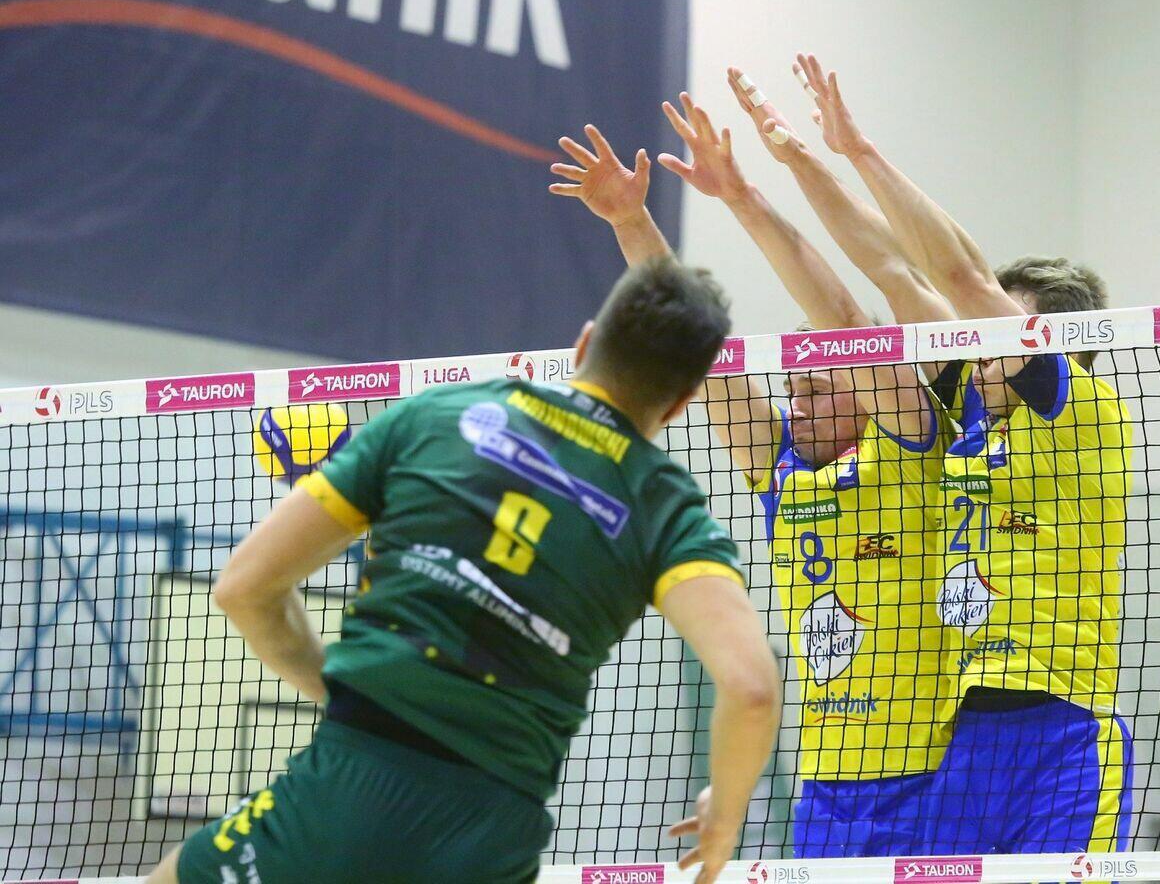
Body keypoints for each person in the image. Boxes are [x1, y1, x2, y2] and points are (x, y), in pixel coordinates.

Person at [147, 258, 782, 884]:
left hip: (354, 783)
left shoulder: (437, 415)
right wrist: (724, 819)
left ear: (585, 342)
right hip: (494, 832)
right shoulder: (668, 507)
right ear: (680, 404)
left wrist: (335, 690)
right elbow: (752, 689)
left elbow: (243, 588)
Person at [548, 93, 958, 859]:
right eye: (793, 388)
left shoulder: (909, 447)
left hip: (933, 780)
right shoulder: (781, 471)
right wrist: (630, 222)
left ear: (864, 390)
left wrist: (744, 196)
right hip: (824, 786)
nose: (796, 403)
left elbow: (847, 322)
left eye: (817, 389)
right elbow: (688, 344)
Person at [790, 51, 1134, 853]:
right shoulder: (974, 409)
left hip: (1063, 731)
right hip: (963, 735)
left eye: (995, 333)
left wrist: (862, 150)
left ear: (1055, 344)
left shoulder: (1079, 411)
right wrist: (803, 161)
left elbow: (957, 272)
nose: (978, 350)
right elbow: (892, 270)